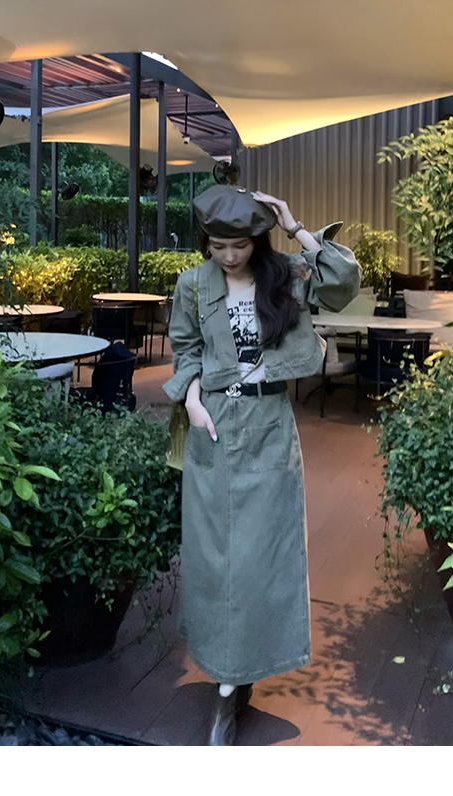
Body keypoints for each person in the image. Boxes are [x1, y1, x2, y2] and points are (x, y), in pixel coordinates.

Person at [164, 184, 360, 745]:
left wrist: (294, 225)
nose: (229, 256)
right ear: (206, 241)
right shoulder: (192, 284)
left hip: (270, 425)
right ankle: (226, 685)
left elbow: (343, 283)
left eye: (240, 245)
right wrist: (192, 400)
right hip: (214, 426)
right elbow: (186, 350)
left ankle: (241, 677)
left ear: (258, 240)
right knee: (217, 562)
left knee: (263, 558)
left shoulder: (286, 275)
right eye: (218, 245)